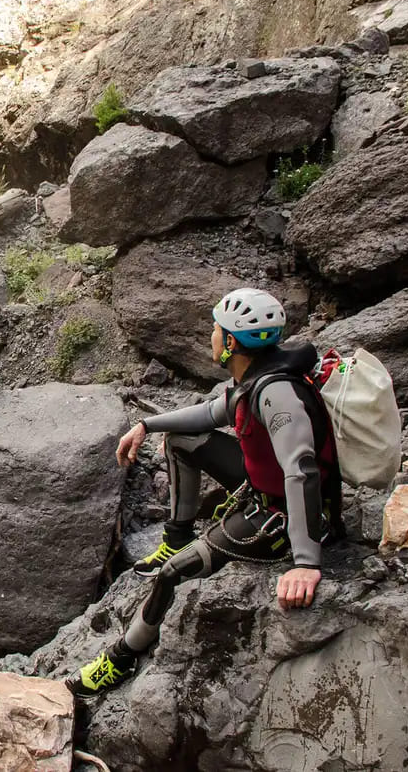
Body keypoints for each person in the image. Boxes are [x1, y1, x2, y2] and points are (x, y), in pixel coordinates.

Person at [67, 287, 342, 698]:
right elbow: (213, 413)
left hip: (280, 519)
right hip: (263, 489)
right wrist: (148, 424)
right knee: (181, 439)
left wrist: (305, 563)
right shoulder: (258, 378)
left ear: (231, 342)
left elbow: (300, 470)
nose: (210, 337)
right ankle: (174, 538)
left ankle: (122, 656)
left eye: (215, 330)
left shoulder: (276, 392)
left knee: (172, 573)